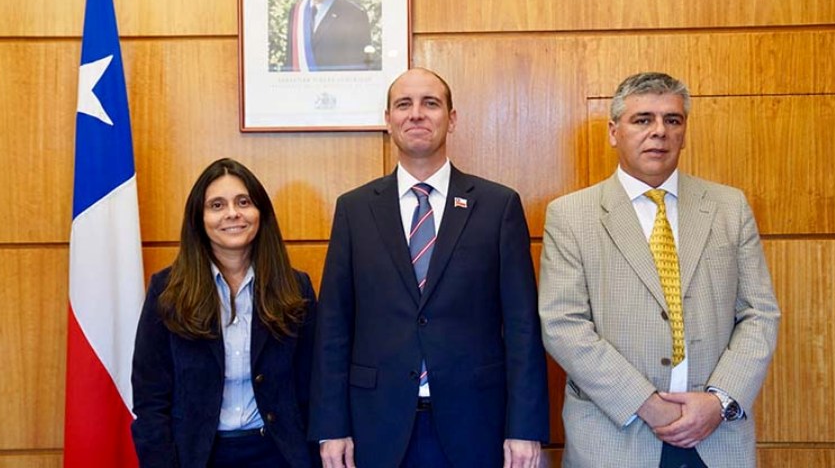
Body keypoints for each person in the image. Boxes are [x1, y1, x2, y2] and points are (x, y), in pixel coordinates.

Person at [538, 72, 781, 468]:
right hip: (614, 437)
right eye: (642, 120)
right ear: (614, 132)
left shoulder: (728, 207)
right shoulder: (571, 215)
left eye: (672, 120)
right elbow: (563, 324)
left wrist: (719, 401)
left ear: (684, 132)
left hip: (715, 438)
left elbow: (760, 313)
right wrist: (647, 404)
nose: (659, 132)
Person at [309, 68, 549, 468]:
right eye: (404, 104)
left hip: (476, 422)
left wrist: (524, 427)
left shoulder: (497, 206)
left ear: (451, 118)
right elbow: (334, 326)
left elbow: (522, 326)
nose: (416, 114)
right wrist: (331, 426)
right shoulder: (354, 209)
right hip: (376, 423)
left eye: (430, 103)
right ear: (388, 120)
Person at [131, 158, 320, 468]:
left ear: (260, 213)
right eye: (216, 205)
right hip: (197, 456)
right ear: (199, 218)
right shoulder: (167, 291)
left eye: (243, 202)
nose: (232, 213)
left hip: (278, 453)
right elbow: (150, 399)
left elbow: (313, 388)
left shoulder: (295, 287)